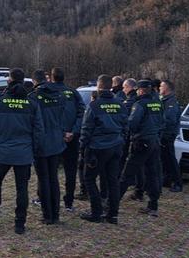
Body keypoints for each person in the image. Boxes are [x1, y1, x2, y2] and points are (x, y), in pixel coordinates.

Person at [0, 68, 44, 235]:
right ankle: (19, 224)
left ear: (9, 80)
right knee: (22, 188)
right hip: (23, 153)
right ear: (23, 82)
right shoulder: (32, 105)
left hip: (1, 152)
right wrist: (33, 150)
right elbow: (38, 131)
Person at [79, 74, 126, 223]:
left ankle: (96, 212)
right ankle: (113, 214)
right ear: (110, 87)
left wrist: (82, 147)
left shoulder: (94, 106)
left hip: (97, 148)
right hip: (116, 146)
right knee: (112, 180)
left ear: (99, 87)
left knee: (89, 178)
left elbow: (86, 129)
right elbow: (126, 126)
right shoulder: (120, 104)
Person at [118, 80, 164, 216]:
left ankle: (111, 204)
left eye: (138, 90)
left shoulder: (140, 104)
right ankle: (153, 205)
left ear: (142, 90)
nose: (137, 92)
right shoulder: (158, 103)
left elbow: (132, 123)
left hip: (142, 142)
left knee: (127, 174)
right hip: (154, 141)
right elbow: (163, 122)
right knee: (152, 174)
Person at [29, 70, 67, 225]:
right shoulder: (59, 95)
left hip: (41, 143)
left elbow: (32, 122)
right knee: (54, 178)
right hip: (57, 141)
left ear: (34, 81)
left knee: (43, 179)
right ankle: (56, 214)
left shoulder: (33, 97)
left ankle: (47, 215)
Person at [50, 67, 86, 212]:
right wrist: (73, 131)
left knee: (51, 171)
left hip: (55, 139)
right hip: (72, 138)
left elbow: (48, 117)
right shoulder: (73, 92)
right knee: (70, 171)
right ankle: (68, 202)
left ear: (52, 78)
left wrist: (62, 133)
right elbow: (81, 112)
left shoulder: (48, 92)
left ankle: (50, 200)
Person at [160, 80, 183, 192]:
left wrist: (163, 132)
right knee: (165, 159)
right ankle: (167, 180)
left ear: (166, 88)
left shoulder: (171, 103)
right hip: (165, 134)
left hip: (168, 134)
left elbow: (170, 120)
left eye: (161, 86)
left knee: (170, 159)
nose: (159, 88)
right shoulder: (165, 100)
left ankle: (178, 183)